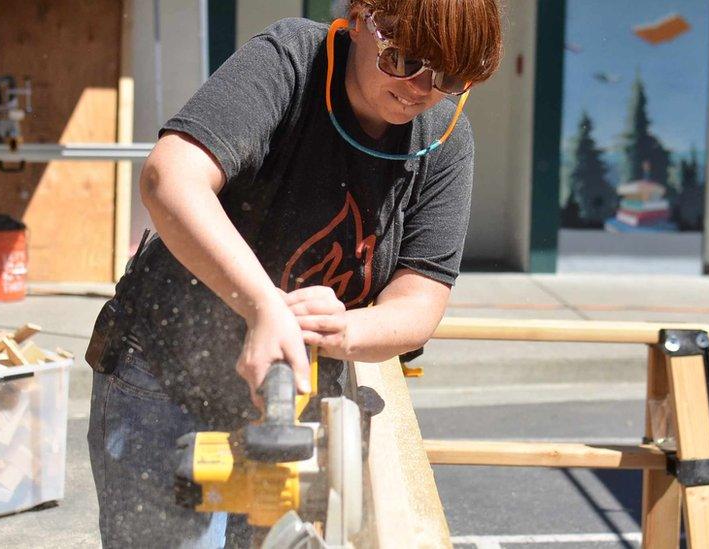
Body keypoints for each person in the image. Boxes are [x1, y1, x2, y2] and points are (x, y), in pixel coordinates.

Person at [86, 0, 502, 546]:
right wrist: (264, 305)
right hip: (163, 374)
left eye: (448, 76)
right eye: (402, 60)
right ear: (359, 19)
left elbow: (419, 301)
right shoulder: (292, 63)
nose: (421, 89)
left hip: (295, 399)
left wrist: (344, 331)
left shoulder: (446, 139)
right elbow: (171, 178)